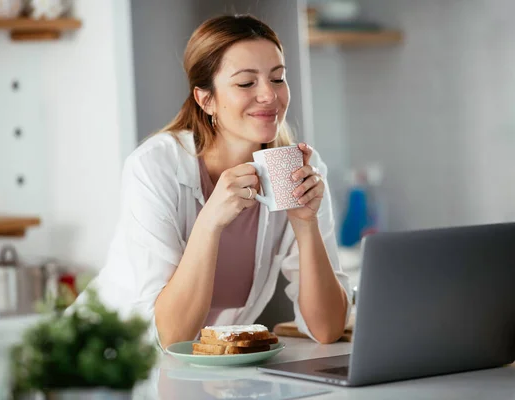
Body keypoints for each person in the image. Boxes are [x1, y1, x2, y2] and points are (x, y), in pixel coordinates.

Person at [74, 14, 351, 349]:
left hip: (204, 369)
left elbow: (328, 329)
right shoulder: (155, 166)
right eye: (246, 83)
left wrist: (306, 224)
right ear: (205, 99)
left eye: (278, 78)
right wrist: (210, 222)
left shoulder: (295, 168)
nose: (269, 95)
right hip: (105, 357)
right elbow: (171, 336)